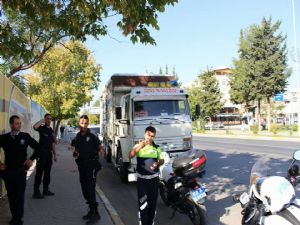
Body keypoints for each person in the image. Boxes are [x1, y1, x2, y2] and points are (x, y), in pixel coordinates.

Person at [0, 115, 40, 225]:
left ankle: (18, 219)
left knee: (19, 196)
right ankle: (14, 217)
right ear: (11, 124)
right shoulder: (4, 138)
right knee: (11, 196)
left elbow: (38, 147)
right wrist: (0, 164)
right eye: (17, 123)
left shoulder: (25, 136)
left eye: (20, 123)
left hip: (21, 171)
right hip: (8, 172)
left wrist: (31, 159)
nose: (19, 125)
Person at [71, 115, 104, 225]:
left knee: (90, 188)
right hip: (82, 166)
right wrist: (75, 152)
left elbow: (100, 148)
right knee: (84, 188)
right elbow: (74, 147)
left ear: (88, 124)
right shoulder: (78, 136)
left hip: (92, 166)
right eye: (82, 123)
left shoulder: (92, 136)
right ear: (79, 123)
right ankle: (91, 210)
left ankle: (95, 213)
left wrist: (99, 155)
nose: (84, 125)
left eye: (86, 123)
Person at [129, 126, 164, 225]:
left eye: (153, 136)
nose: (150, 138)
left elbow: (162, 160)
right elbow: (130, 155)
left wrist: (157, 163)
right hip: (142, 181)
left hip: (154, 180)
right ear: (145, 134)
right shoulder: (138, 146)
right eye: (148, 135)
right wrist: (140, 146)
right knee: (143, 205)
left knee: (152, 206)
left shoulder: (156, 147)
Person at [32, 113, 57, 199]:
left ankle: (45, 189)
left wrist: (55, 155)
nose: (49, 120)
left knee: (47, 172)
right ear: (45, 119)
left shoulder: (51, 130)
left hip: (49, 154)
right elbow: (34, 127)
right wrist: (42, 120)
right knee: (39, 172)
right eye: (47, 118)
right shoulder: (42, 128)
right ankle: (36, 191)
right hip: (41, 154)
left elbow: (53, 143)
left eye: (50, 119)